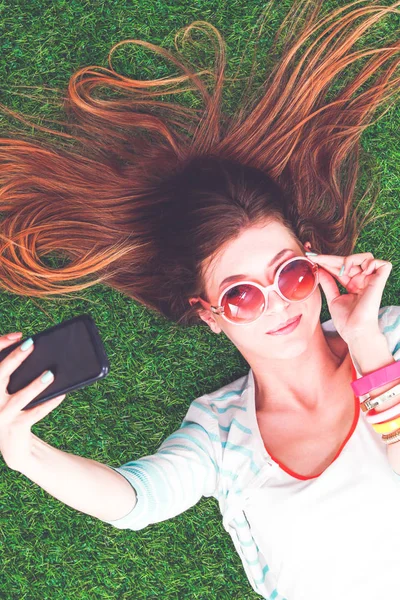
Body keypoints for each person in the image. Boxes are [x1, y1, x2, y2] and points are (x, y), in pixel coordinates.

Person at [0, 1, 400, 598]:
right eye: (241, 295)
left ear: (315, 264)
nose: (278, 304)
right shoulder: (220, 431)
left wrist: (367, 342)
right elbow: (135, 500)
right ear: (210, 314)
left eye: (289, 274)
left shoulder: (389, 339)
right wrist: (22, 453)